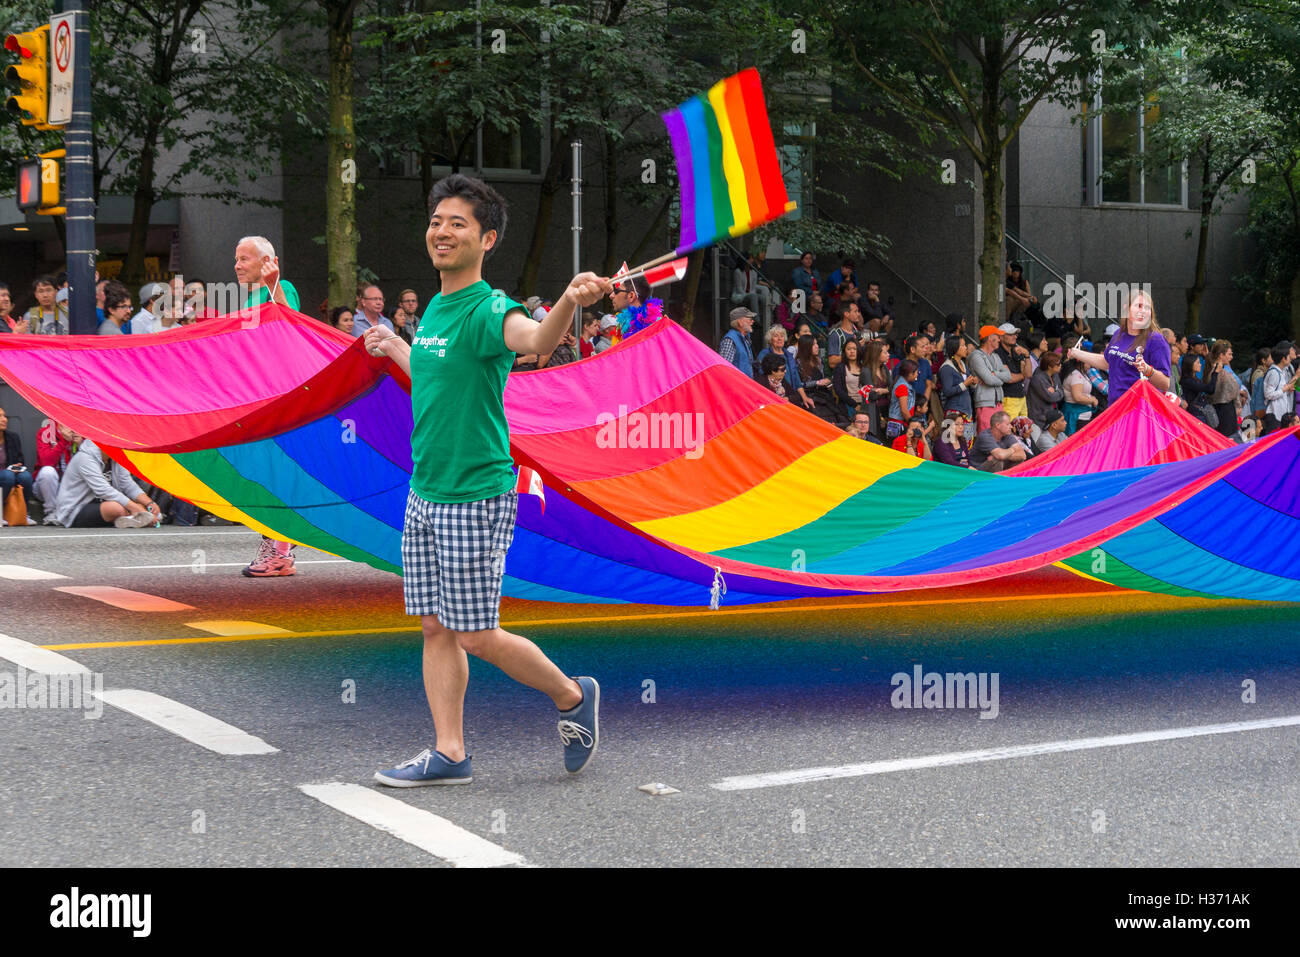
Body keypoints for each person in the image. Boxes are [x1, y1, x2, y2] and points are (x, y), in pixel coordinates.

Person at [362, 172, 604, 785]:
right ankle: (449, 753)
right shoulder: (438, 308)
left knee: (474, 632)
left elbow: (537, 341)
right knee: (435, 625)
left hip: (477, 495)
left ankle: (574, 697)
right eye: (437, 221)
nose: (441, 232)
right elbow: (435, 371)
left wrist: (570, 302)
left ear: (487, 239)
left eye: (458, 224)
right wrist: (394, 347)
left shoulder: (494, 308)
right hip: (425, 492)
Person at [234, 236, 302, 576]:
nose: (237, 265)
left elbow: (291, 327)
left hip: (281, 399)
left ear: (267, 262)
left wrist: (275, 286)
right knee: (268, 475)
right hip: (258, 400)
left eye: (245, 258)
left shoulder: (280, 288)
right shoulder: (246, 301)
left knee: (276, 475)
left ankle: (279, 552)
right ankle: (280, 550)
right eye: (237, 259)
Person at [1066, 290, 1170, 405]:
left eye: (1147, 308)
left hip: (1140, 410)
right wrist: (1077, 353)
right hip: (1115, 408)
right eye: (1138, 306)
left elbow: (1165, 383)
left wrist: (1147, 369)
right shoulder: (1119, 334)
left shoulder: (1156, 340)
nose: (1143, 311)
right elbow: (1107, 362)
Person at [52, 436, 161, 528]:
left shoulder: (116, 456)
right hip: (74, 510)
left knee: (131, 506)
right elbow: (104, 490)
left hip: (103, 504)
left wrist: (150, 504)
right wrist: (137, 508)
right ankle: (134, 516)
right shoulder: (84, 458)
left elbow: (127, 484)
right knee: (116, 508)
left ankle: (131, 518)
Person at [969, 325, 1012, 433]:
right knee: (987, 437)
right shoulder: (976, 356)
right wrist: (999, 379)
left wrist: (994, 374)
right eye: (997, 336)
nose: (999, 339)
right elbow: (989, 380)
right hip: (985, 404)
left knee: (999, 436)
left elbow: (1008, 376)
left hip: (998, 403)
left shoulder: (995, 356)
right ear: (989, 338)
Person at [32, 421, 76, 523]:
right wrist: (63, 441)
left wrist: (80, 445)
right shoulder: (45, 432)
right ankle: (51, 512)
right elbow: (46, 462)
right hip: (45, 488)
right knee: (48, 471)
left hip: (68, 487)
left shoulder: (79, 433)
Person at [0, 406, 37, 526]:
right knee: (7, 475)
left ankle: (24, 513)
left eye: (4, 416)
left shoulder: (12, 437)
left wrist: (17, 465)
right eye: (0, 416)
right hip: (5, 475)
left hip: (10, 473)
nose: (4, 419)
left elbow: (20, 459)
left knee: (25, 477)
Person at [1206, 340, 1243, 437]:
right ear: (1221, 355)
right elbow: (1234, 391)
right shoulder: (1221, 372)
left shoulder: (1213, 371)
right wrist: (1238, 404)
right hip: (1226, 410)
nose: (1231, 357)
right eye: (1229, 354)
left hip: (1219, 409)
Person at [1261, 343, 1300, 433]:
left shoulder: (1280, 372)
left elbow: (1282, 389)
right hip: (1274, 414)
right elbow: (1268, 394)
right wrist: (1285, 389)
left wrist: (1287, 388)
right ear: (1283, 359)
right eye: (1289, 358)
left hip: (1279, 414)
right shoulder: (1274, 373)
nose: (1290, 360)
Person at [1027, 351, 1065, 429]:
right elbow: (1050, 397)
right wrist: (1058, 392)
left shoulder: (1055, 375)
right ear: (1049, 367)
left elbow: (1062, 391)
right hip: (1039, 419)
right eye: (1058, 364)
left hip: (1051, 416)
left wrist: (1055, 391)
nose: (1060, 365)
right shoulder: (1038, 378)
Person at [886, 359, 920, 441]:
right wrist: (912, 424)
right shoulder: (902, 387)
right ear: (910, 373)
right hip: (899, 425)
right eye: (916, 372)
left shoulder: (903, 383)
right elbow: (904, 410)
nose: (917, 375)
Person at [719, 306, 757, 377]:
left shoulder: (745, 337)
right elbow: (724, 368)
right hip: (736, 385)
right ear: (740, 322)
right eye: (750, 319)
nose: (752, 321)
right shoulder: (730, 340)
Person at [826, 301, 861, 370]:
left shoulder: (857, 333)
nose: (858, 314)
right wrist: (857, 347)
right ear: (846, 314)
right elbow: (832, 362)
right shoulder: (835, 335)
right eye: (855, 311)